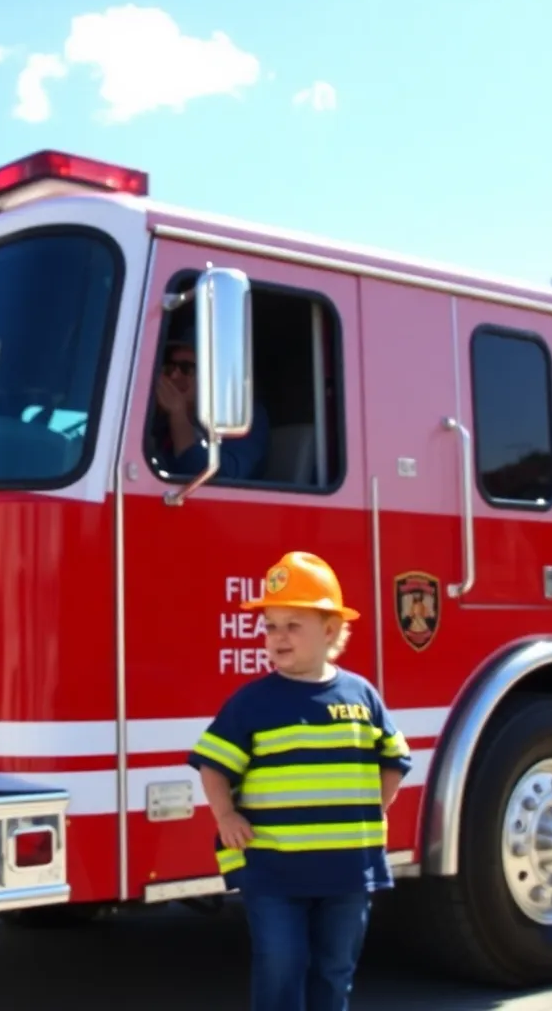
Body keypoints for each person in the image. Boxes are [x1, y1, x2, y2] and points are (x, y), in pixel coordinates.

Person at [188, 551, 413, 1011]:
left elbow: (394, 758)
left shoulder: (361, 696)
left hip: (349, 870)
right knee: (281, 963)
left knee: (335, 969)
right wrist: (225, 815)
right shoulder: (252, 703)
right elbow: (213, 764)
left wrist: (374, 809)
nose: (278, 637)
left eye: (293, 625)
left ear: (330, 631)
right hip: (274, 871)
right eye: (270, 626)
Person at [152, 323, 270, 481]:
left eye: (186, 368)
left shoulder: (243, 415)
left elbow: (225, 477)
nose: (174, 376)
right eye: (171, 367)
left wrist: (178, 417)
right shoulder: (163, 419)